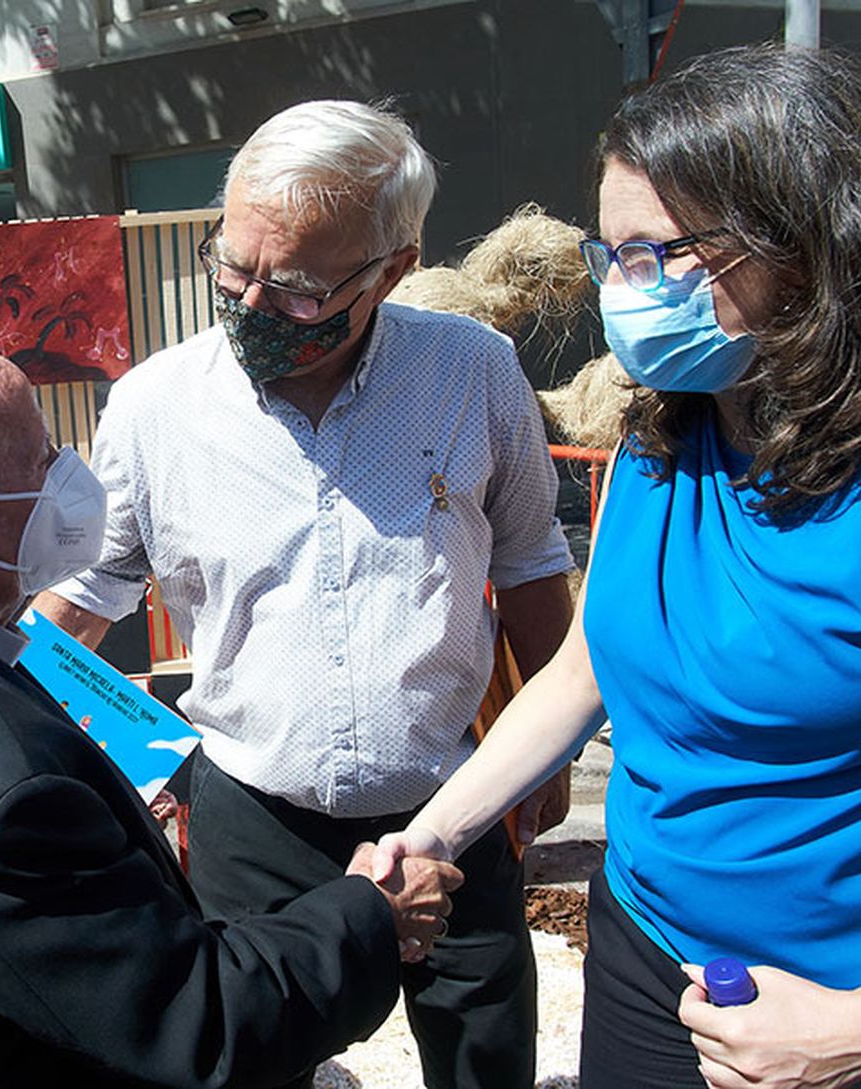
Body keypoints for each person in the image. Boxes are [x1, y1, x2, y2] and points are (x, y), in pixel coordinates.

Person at [374, 45, 861, 1089]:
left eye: (655, 254)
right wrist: (431, 835)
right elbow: (588, 670)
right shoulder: (667, 427)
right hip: (654, 954)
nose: (623, 294)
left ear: (808, 243)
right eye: (610, 258)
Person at [0, 325, 463, 1089]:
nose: (71, 473)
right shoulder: (3, 797)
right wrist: (371, 915)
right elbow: (201, 1025)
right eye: (41, 457)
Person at [36, 100, 576, 1089]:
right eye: (230, 268)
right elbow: (71, 613)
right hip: (251, 819)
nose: (247, 303)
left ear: (391, 270)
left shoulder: (473, 374)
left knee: (484, 1057)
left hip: (451, 801)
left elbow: (531, 560)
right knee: (251, 1066)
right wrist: (146, 761)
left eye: (290, 289)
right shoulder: (155, 408)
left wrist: (545, 750)